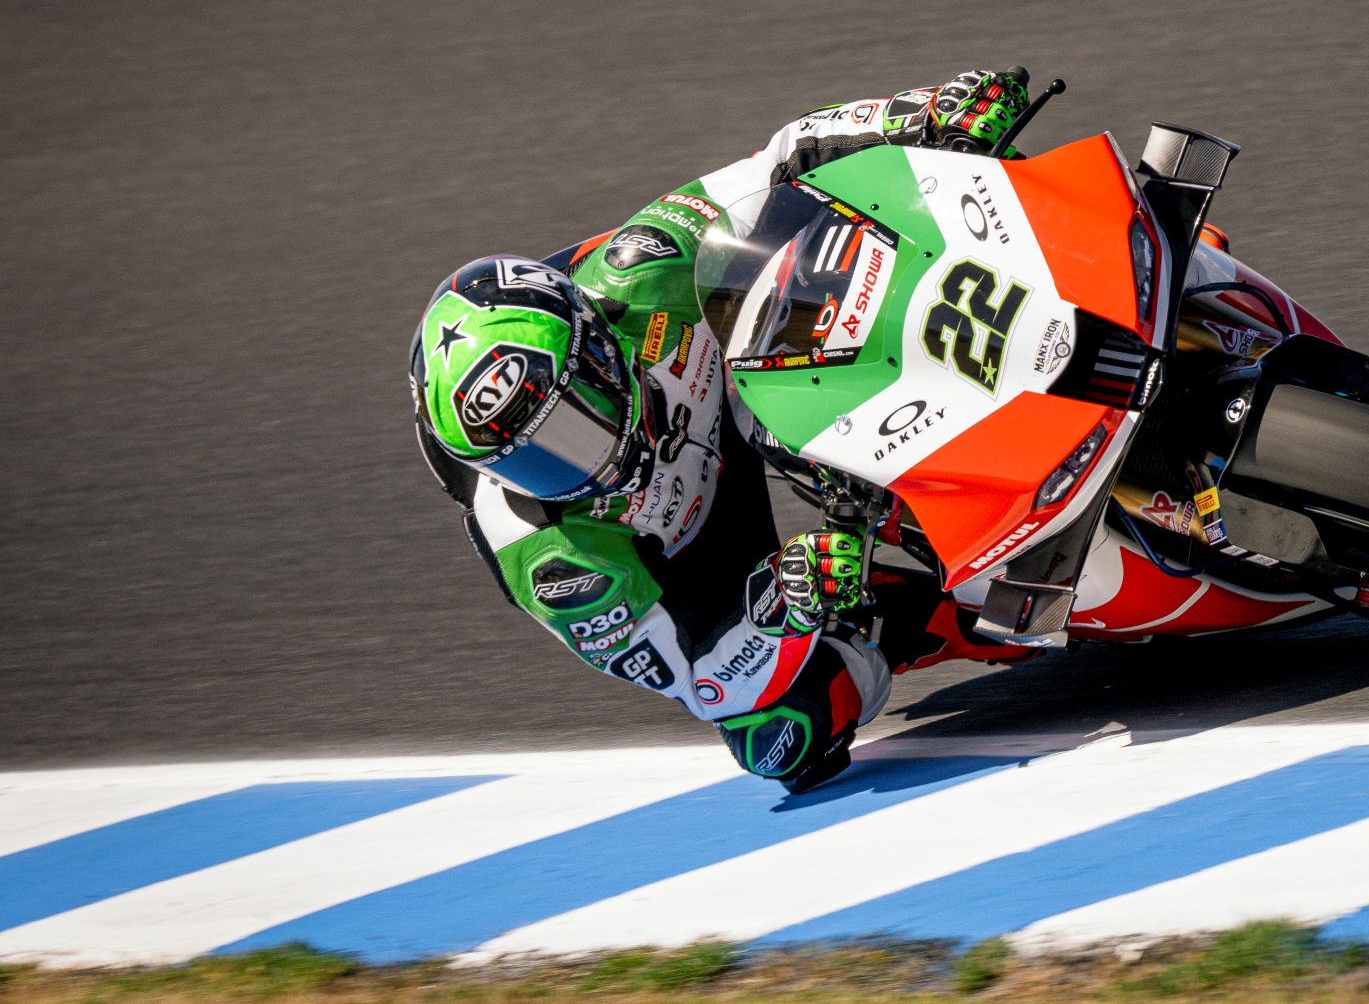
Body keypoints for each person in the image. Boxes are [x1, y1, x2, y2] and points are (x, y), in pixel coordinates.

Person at [408, 70, 1042, 792]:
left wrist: (921, 117)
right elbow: (703, 680)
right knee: (781, 735)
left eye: (574, 423)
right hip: (703, 558)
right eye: (537, 463)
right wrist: (787, 598)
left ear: (600, 351)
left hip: (742, 385)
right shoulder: (555, 565)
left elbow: (779, 163)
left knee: (851, 226)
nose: (582, 466)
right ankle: (968, 611)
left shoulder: (640, 271)